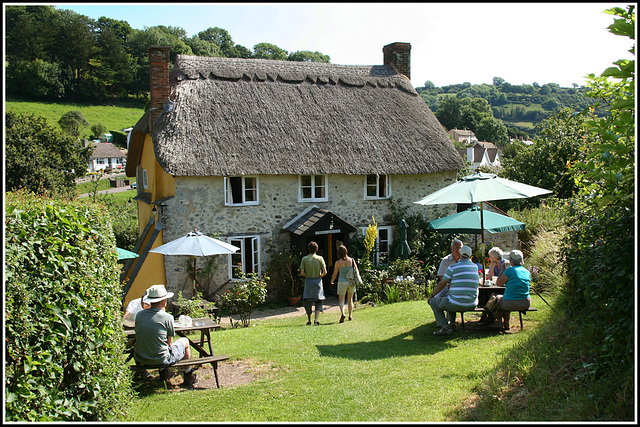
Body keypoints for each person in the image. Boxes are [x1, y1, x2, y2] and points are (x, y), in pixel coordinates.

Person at [134, 284, 196, 385]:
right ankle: (188, 375)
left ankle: (164, 373)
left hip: (141, 358)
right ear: (164, 302)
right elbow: (169, 343)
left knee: (155, 343)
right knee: (185, 341)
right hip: (161, 359)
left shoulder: (139, 315)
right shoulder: (167, 317)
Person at [428, 245, 479, 335]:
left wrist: (432, 295)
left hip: (456, 303)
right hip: (472, 303)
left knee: (434, 302)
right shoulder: (475, 267)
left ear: (460, 254)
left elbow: (441, 284)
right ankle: (451, 324)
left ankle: (445, 327)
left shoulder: (453, 267)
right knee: (450, 298)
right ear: (470, 256)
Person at [494, 250, 531, 331]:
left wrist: (502, 270)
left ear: (511, 260)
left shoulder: (510, 270)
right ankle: (506, 323)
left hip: (510, 303)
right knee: (507, 297)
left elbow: (498, 283)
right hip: (525, 302)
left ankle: (501, 322)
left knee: (497, 298)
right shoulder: (526, 271)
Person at [300, 241, 327, 326]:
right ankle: (316, 320)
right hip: (317, 280)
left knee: (307, 300)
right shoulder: (320, 258)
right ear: (317, 249)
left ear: (308, 249)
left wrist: (307, 275)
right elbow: (325, 271)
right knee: (318, 300)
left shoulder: (304, 259)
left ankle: (309, 320)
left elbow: (302, 272)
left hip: (308, 280)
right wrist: (320, 276)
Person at [330, 245, 358, 323]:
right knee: (350, 299)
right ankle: (350, 315)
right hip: (351, 282)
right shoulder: (352, 260)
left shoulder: (338, 262)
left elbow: (335, 273)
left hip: (342, 282)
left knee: (341, 300)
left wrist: (332, 280)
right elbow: (356, 271)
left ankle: (343, 313)